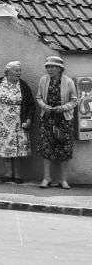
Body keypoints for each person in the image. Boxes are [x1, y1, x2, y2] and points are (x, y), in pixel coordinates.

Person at [0, 61, 34, 183]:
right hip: (1, 122)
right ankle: (8, 173)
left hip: (17, 122)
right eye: (16, 70)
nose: (19, 73)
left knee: (16, 148)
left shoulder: (23, 85)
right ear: (8, 71)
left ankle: (17, 175)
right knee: (4, 147)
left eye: (20, 70)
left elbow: (30, 105)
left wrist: (28, 119)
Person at [35, 56, 77, 190]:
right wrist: (44, 106)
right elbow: (39, 97)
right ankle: (46, 178)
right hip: (47, 118)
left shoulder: (68, 82)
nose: (49, 69)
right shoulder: (43, 80)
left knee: (65, 150)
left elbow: (75, 100)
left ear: (59, 68)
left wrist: (63, 108)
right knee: (47, 148)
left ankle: (63, 180)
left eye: (52, 66)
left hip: (64, 120)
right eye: (47, 66)